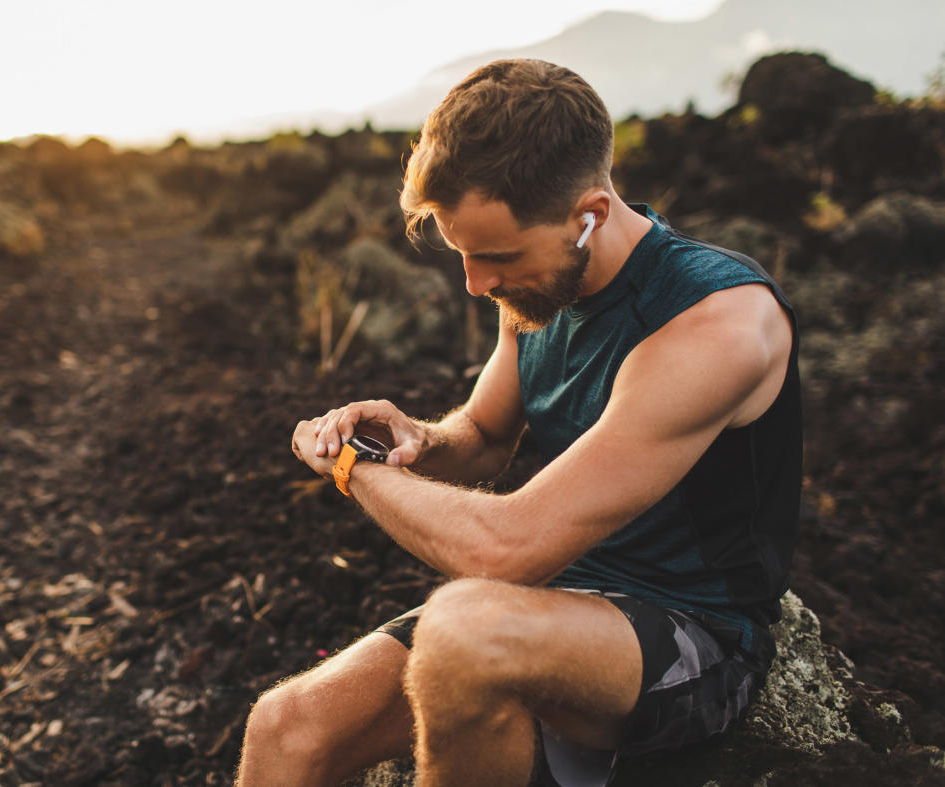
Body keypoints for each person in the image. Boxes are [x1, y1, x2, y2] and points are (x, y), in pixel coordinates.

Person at [236, 59, 801, 787]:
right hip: (557, 605)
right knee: (284, 729)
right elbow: (485, 435)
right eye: (461, 254)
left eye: (496, 256)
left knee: (464, 629)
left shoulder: (715, 323)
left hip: (695, 633)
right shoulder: (539, 287)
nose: (476, 283)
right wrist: (412, 438)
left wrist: (354, 467)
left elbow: (506, 551)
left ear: (588, 214)